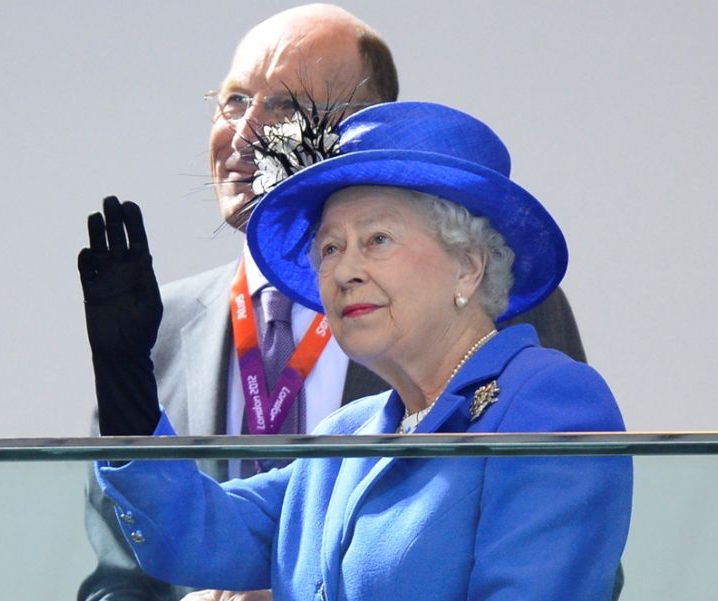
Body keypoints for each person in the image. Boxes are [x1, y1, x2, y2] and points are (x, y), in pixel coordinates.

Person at [78, 4, 589, 600]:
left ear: (469, 263)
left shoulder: (547, 403)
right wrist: (126, 384)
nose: (345, 269)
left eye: (377, 240)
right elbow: (197, 533)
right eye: (327, 248)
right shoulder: (350, 436)